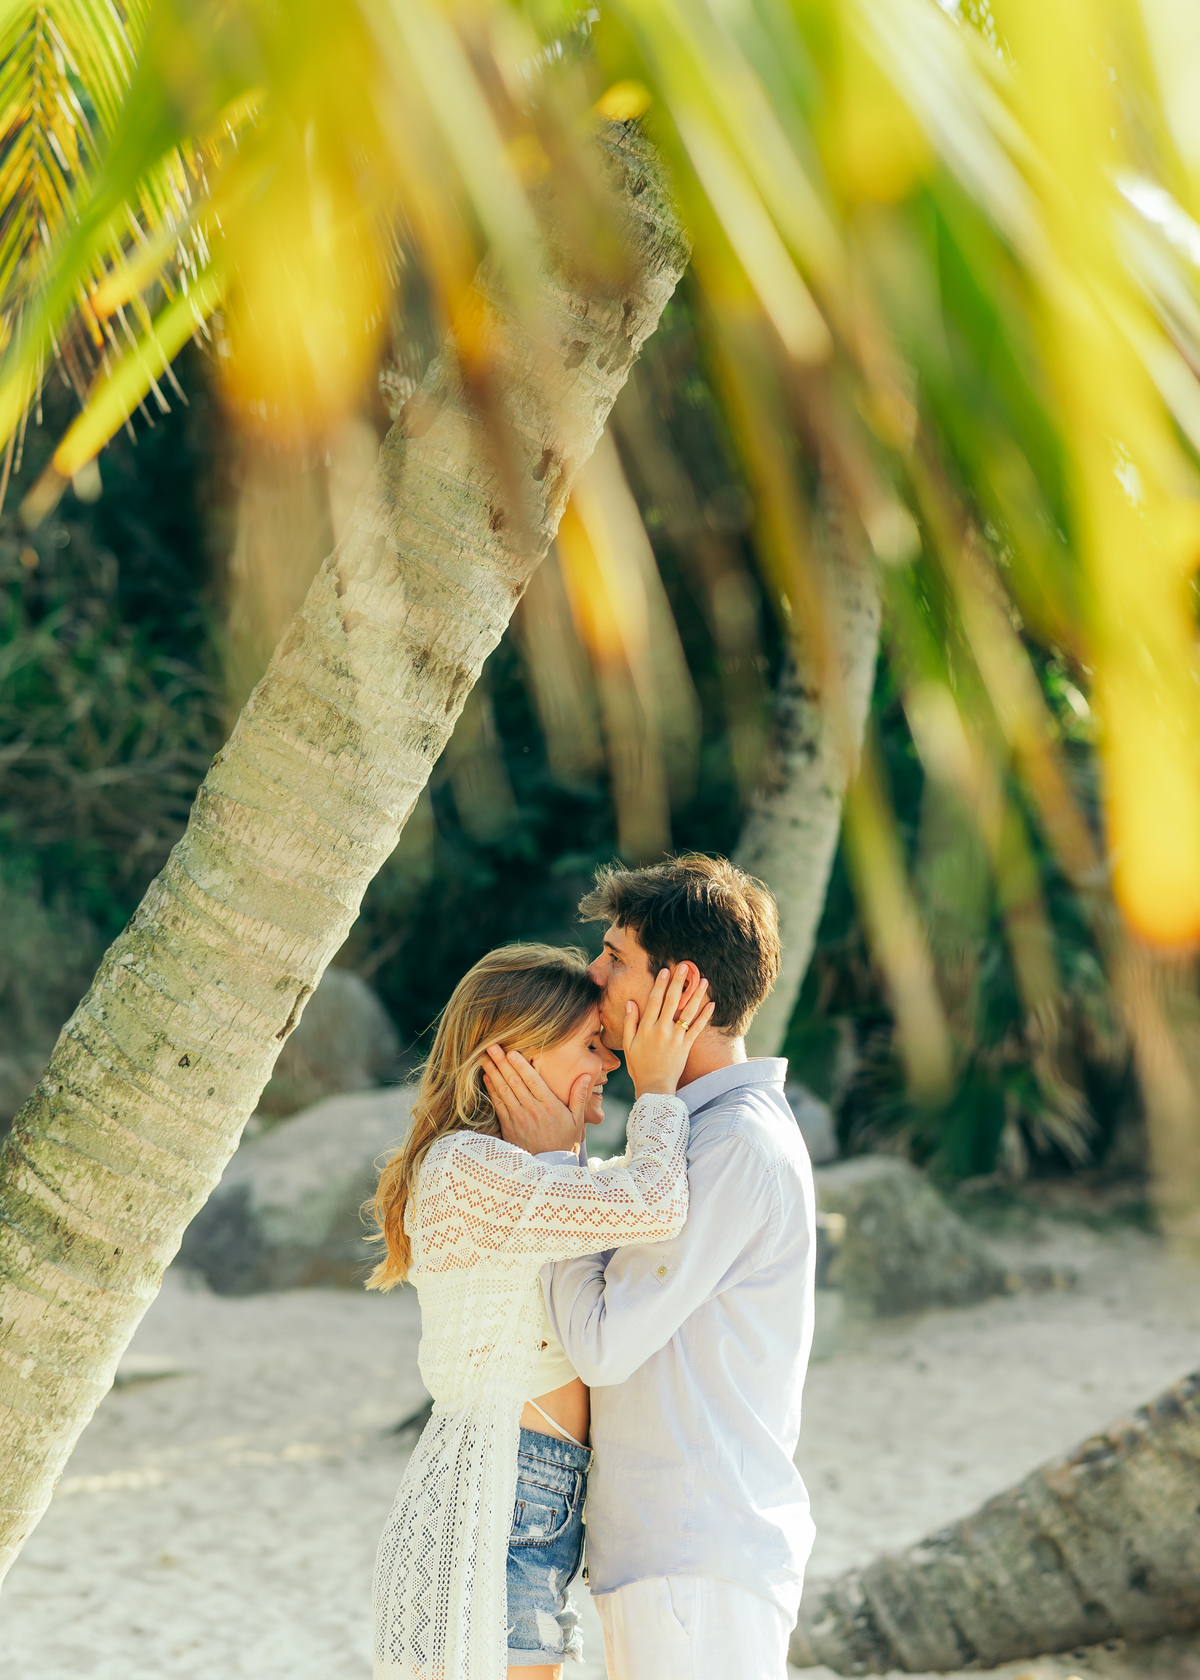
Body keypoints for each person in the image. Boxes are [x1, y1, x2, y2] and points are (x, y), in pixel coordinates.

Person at [486, 856, 816, 1680]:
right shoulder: (699, 1133)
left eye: (616, 957)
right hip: (674, 1556)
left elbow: (602, 1342)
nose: (594, 975)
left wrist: (553, 1169)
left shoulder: (732, 1145)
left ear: (681, 989)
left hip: (697, 1558)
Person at [367, 942, 715, 1680]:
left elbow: (626, 1197)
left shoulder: (531, 1178)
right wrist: (659, 1089)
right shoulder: (468, 1169)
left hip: (526, 1499)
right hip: (494, 1495)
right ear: (514, 1056)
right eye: (593, 1045)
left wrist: (564, 1153)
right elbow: (655, 1202)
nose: (613, 1062)